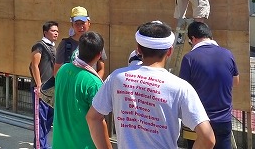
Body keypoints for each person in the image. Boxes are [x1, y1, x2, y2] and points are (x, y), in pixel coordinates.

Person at [86, 21, 215, 149]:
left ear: (138, 49)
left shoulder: (117, 78)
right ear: (170, 51)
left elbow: (93, 118)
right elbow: (207, 138)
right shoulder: (180, 87)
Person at [179, 22, 239, 149]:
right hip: (224, 120)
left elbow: (183, 90)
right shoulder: (228, 54)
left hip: (198, 123)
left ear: (193, 38)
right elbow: (235, 81)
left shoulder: (189, 58)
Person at [52, 31, 105, 149]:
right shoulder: (94, 83)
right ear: (99, 54)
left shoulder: (63, 70)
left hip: (59, 143)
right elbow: (98, 121)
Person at [29, 21, 59, 149]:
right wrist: (39, 85)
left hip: (52, 88)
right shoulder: (39, 46)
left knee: (49, 119)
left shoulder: (54, 47)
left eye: (57, 31)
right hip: (41, 89)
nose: (56, 33)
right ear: (45, 32)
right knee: (40, 119)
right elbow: (34, 65)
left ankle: (44, 144)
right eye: (53, 31)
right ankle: (39, 146)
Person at [54, 6, 105, 78]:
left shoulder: (96, 41)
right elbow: (57, 71)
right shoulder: (65, 44)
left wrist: (94, 83)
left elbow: (101, 69)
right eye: (77, 23)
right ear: (72, 25)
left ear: (89, 23)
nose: (80, 26)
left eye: (83, 23)